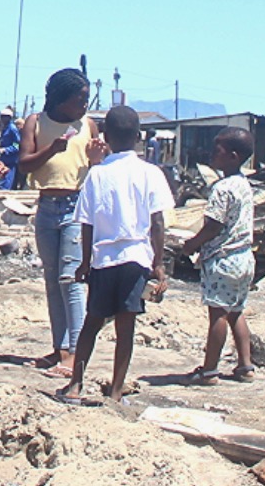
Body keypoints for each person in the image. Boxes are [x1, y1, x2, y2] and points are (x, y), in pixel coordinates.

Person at [55, 105, 175, 403]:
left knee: (92, 323)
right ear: (138, 137)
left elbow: (86, 223)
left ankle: (74, 386)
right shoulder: (151, 173)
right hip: (136, 259)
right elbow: (157, 223)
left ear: (106, 137)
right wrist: (158, 264)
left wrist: (84, 262)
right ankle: (117, 390)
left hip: (104, 260)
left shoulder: (97, 175)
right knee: (126, 326)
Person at [17, 68, 106, 379]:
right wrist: (50, 149)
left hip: (76, 207)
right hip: (46, 205)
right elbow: (24, 163)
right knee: (53, 280)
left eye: (86, 99)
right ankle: (61, 347)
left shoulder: (87, 125)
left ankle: (76, 355)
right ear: (61, 98)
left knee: (71, 279)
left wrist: (97, 158)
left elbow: (97, 169)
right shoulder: (36, 123)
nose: (84, 105)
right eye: (79, 99)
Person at [175, 128, 257, 384]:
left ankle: (209, 369)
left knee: (218, 314)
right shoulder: (244, 184)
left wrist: (192, 244)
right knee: (236, 311)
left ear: (232, 156)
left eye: (217, 150)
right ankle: (246, 366)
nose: (211, 153)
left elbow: (214, 225)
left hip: (224, 259)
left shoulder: (221, 189)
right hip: (244, 257)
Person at [0, 107, 22, 189]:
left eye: (5, 117)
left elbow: (17, 145)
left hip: (10, 160)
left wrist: (6, 150)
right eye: (1, 116)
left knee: (6, 183)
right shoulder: (4, 128)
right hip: (3, 159)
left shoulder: (12, 129)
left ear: (9, 118)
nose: (2, 119)